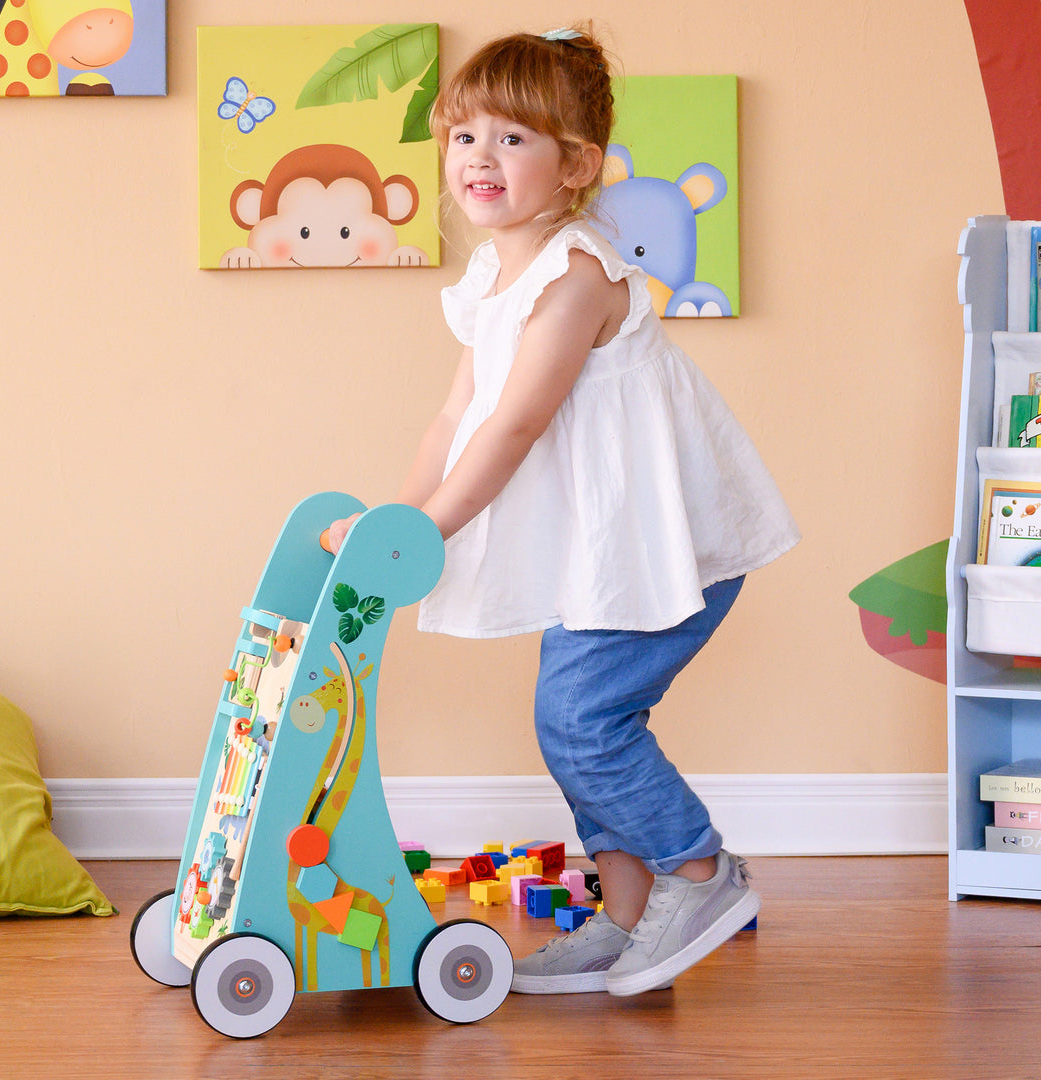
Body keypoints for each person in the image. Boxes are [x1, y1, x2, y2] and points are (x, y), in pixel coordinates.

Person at [326, 24, 800, 997]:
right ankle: (626, 916)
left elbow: (511, 428)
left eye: (513, 139)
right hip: (605, 548)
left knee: (583, 719)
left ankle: (701, 870)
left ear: (575, 164)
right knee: (575, 720)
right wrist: (395, 518)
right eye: (466, 137)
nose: (480, 159)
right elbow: (455, 420)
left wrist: (429, 535)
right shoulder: (487, 283)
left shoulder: (576, 271)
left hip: (675, 543)